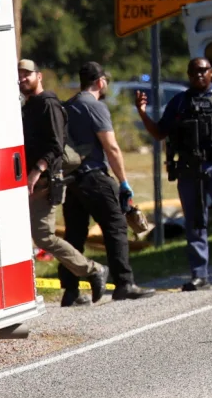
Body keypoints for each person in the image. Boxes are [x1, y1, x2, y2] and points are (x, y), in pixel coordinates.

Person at [136, 58, 212, 290]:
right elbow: (160, 133)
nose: (198, 75)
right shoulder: (179, 102)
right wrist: (142, 113)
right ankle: (199, 276)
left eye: (202, 71)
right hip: (190, 172)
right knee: (194, 224)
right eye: (193, 72)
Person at [19, 60, 109, 307]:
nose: (22, 78)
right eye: (19, 75)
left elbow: (57, 145)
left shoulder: (49, 104)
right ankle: (67, 289)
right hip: (24, 181)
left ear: (39, 76)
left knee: (44, 237)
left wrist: (38, 170)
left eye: (27, 74)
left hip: (44, 182)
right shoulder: (28, 106)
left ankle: (93, 270)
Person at [62, 62, 155, 300]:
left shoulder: (67, 106)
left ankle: (70, 290)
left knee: (74, 235)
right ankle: (124, 284)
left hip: (71, 181)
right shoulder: (95, 106)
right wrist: (123, 181)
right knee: (116, 227)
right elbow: (111, 147)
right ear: (100, 82)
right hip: (94, 177)